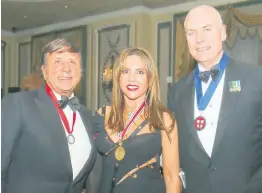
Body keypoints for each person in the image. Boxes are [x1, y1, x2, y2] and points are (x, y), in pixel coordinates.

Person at [168, 5, 262, 193]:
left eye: (207, 29)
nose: (199, 39)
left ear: (223, 32)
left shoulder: (256, 79)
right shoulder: (176, 92)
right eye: (191, 33)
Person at [1, 38, 101, 193]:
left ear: (81, 72)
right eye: (58, 61)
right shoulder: (18, 104)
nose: (66, 68)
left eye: (73, 62)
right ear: (44, 71)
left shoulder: (88, 117)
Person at [92, 47, 180, 193]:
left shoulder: (163, 119)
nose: (131, 78)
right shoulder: (101, 114)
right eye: (125, 71)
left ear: (150, 78)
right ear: (118, 77)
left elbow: (172, 178)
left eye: (140, 72)